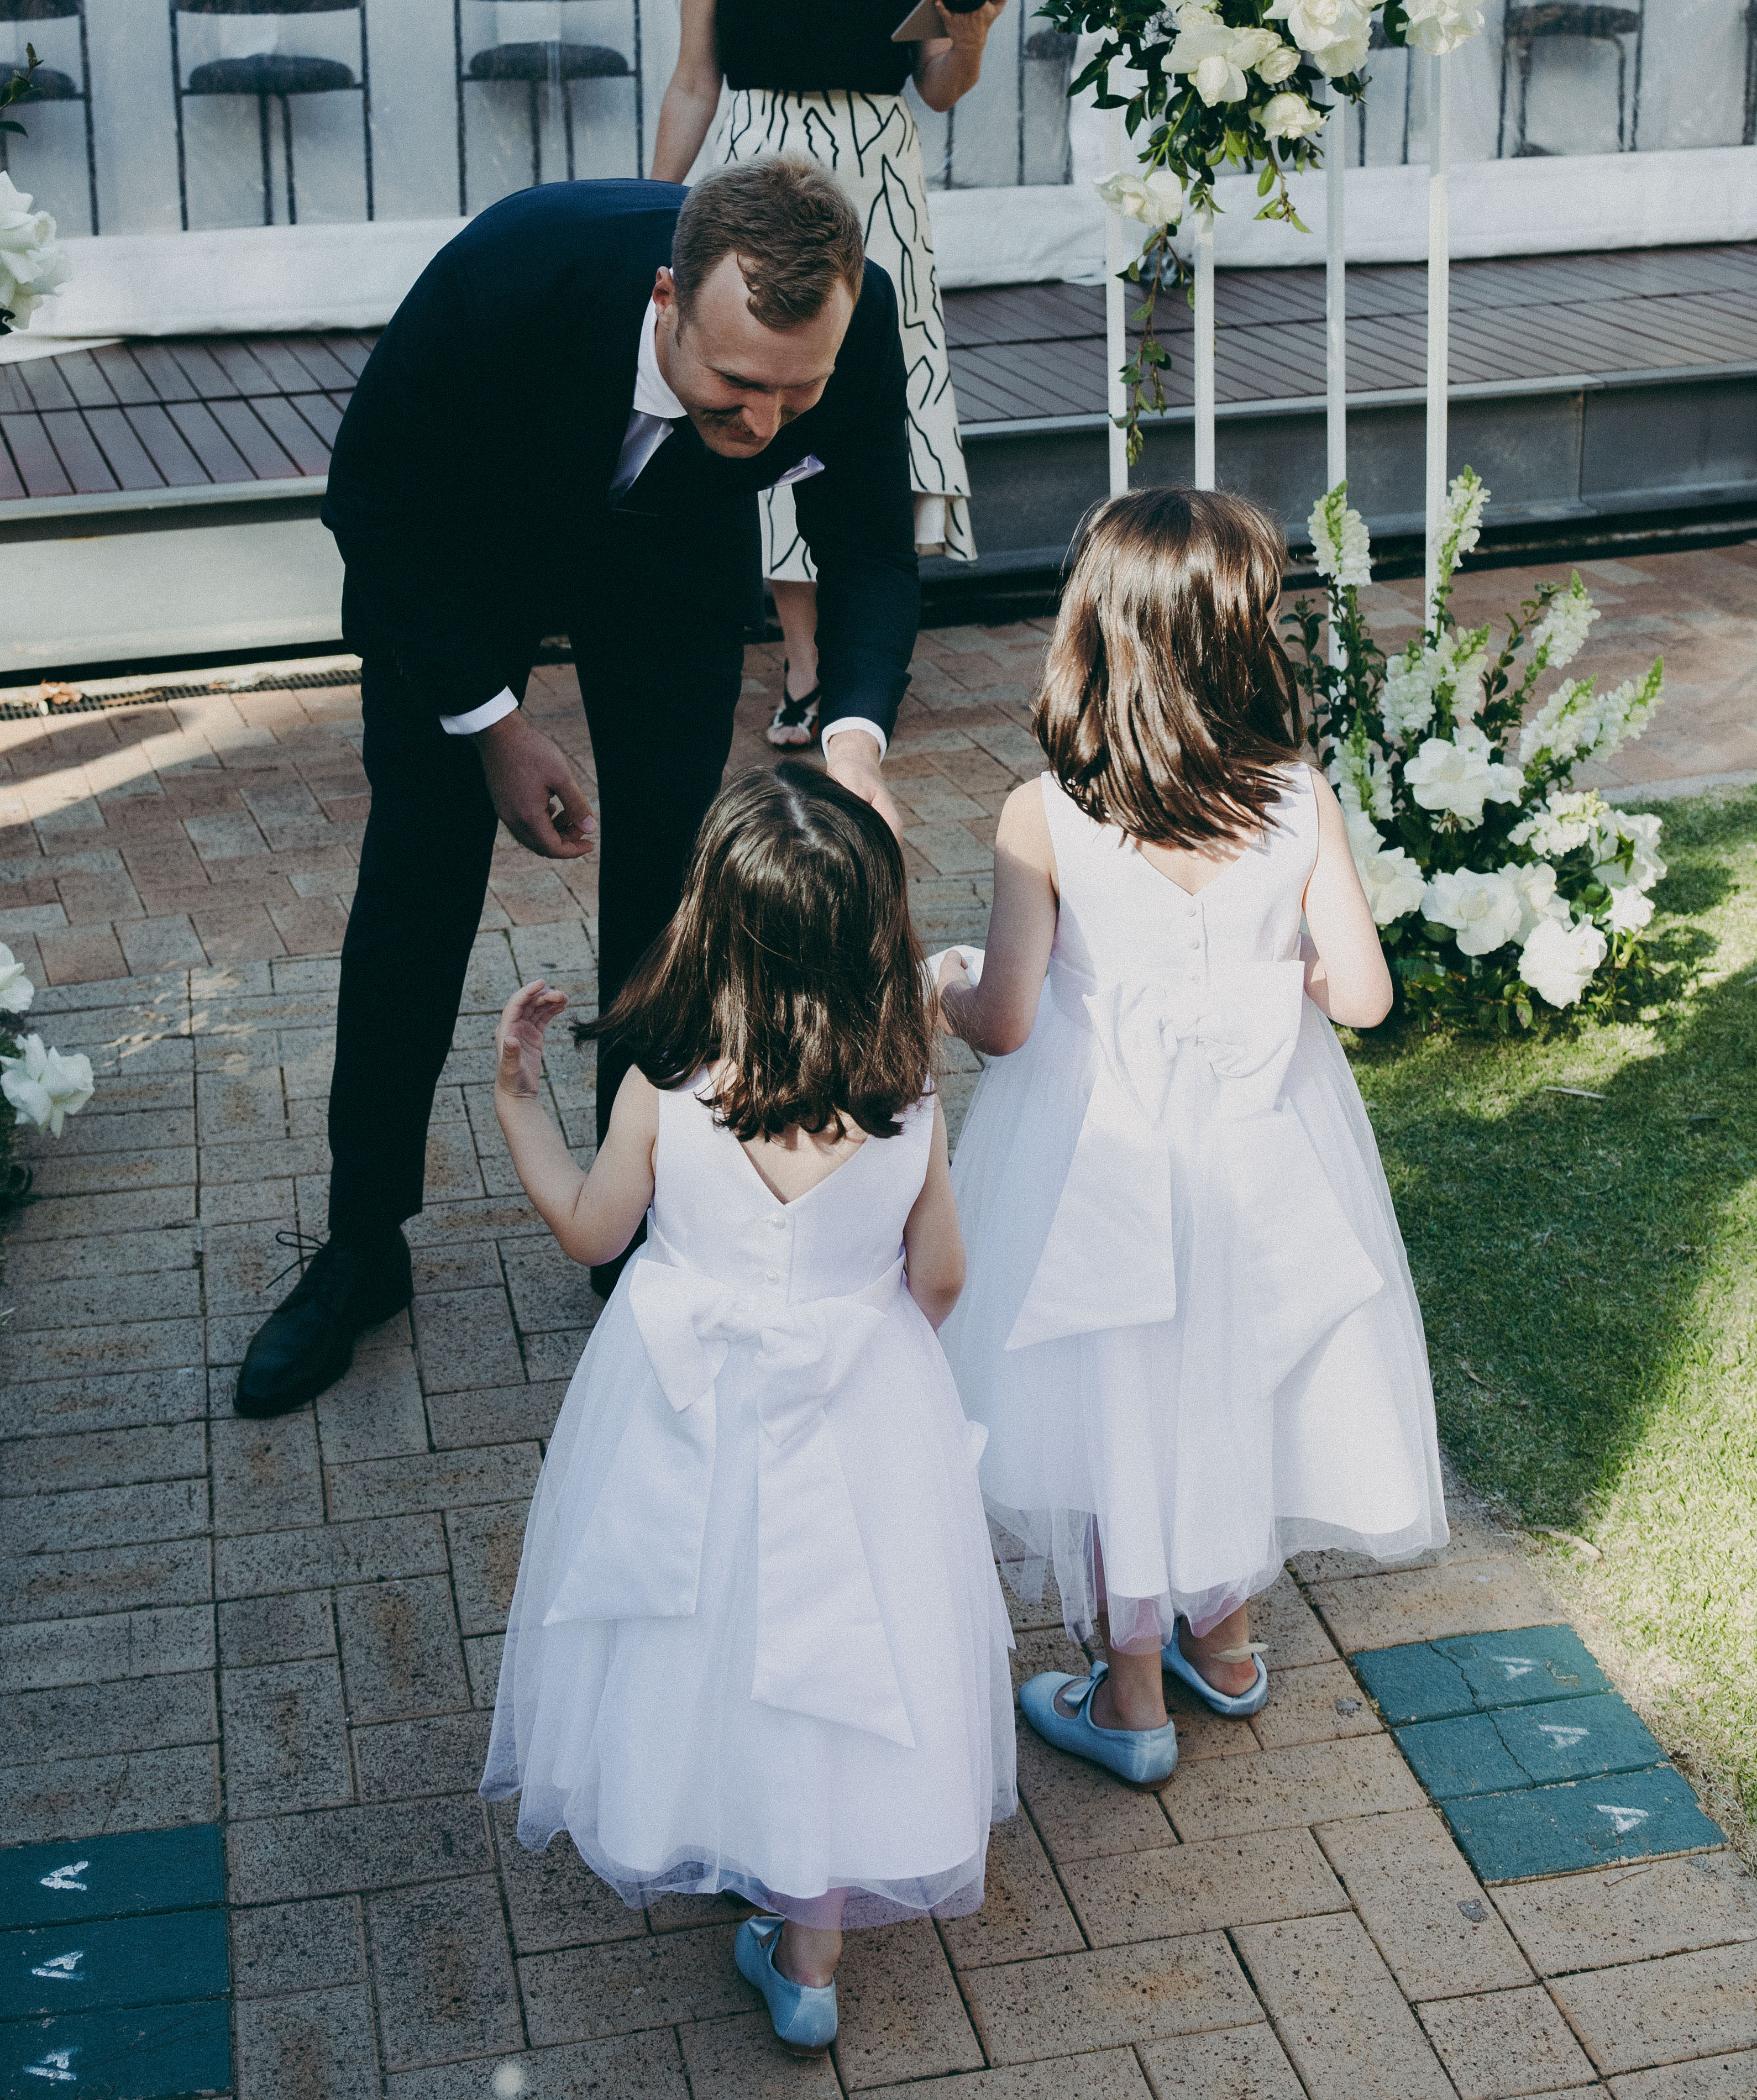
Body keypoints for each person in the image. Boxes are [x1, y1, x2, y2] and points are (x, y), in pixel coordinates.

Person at [233, 159, 922, 1419]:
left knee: (672, 878)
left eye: (797, 392)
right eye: (736, 386)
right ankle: (361, 1246)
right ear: (668, 298)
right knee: (418, 883)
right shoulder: (509, 278)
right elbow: (372, 502)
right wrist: (494, 725)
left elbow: (873, 541)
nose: (768, 423)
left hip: (664, 556)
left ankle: (632, 1216)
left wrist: (857, 740)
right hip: (462, 548)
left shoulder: (851, 311)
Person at [481, 765, 1016, 2052]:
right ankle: (813, 1947)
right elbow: (939, 1276)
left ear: (709, 933)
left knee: (696, 1618)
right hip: (853, 1398)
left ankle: (706, 1809)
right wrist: (869, 1348)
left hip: (684, 1406)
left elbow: (589, 1229)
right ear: (869, 937)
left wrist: (513, 1099)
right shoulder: (907, 1105)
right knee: (837, 1641)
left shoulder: (664, 1096)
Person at [935, 488, 1446, 1789]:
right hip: (1259, 1148)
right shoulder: (1295, 798)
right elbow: (1368, 995)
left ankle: (1133, 1698)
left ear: (1094, 638)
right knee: (1232, 1376)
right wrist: (1271, 975)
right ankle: (1225, 1645)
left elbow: (1003, 1019)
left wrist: (944, 985)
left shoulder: (1043, 813)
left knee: (1119, 1406)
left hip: (1097, 1159)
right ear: (1241, 642)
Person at [652, 0, 1010, 749]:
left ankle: (862, 642)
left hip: (877, 173)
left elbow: (942, 87)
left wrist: (974, 35)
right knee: (761, 393)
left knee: (862, 402)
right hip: (756, 161)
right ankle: (805, 659)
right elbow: (692, 78)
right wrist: (649, 212)